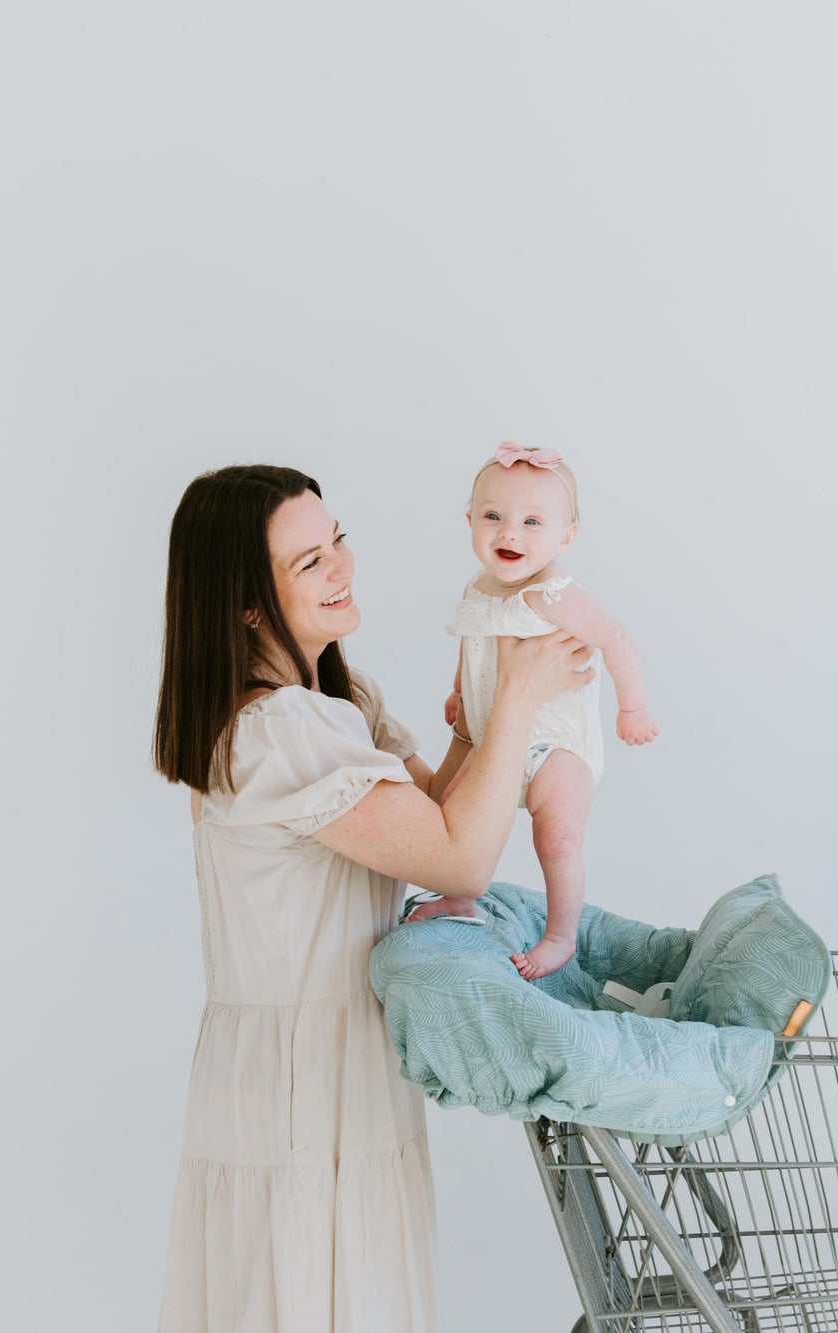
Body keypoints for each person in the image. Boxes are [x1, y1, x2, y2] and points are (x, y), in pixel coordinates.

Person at [150, 464, 592, 1333]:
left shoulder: (338, 702)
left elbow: (440, 816)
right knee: (308, 1296)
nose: (342, 566)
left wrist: (481, 714)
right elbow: (462, 858)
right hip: (298, 1075)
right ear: (247, 604)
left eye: (338, 538)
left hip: (344, 1054)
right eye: (309, 561)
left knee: (352, 1294)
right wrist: (521, 698)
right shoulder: (274, 728)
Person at [431, 443, 659, 979]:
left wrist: (634, 708)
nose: (510, 533)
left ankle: (560, 936)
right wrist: (459, 691)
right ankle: (460, 898)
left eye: (533, 522)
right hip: (496, 736)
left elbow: (616, 639)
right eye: (493, 517)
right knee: (452, 814)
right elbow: (471, 643)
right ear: (469, 520)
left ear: (566, 536)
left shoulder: (556, 593)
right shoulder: (476, 587)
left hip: (558, 744)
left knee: (555, 836)